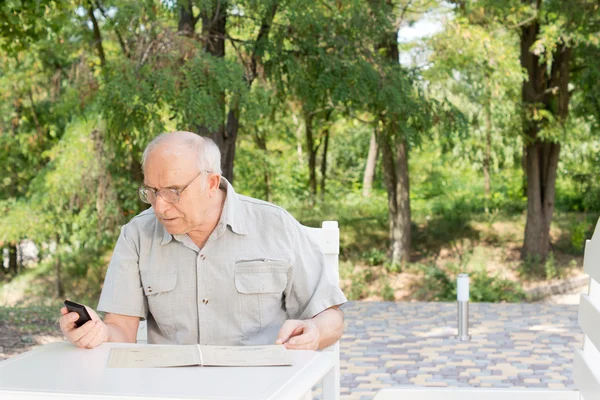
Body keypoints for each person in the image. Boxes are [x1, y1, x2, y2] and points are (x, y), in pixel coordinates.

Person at [59, 131, 347, 350]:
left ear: (211, 183)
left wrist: (315, 332)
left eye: (173, 191)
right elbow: (120, 330)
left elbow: (329, 317)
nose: (159, 207)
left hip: (259, 386)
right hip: (171, 391)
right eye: (151, 191)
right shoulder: (137, 235)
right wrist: (97, 334)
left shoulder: (275, 226)